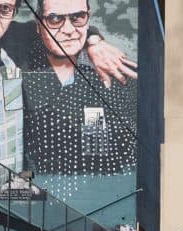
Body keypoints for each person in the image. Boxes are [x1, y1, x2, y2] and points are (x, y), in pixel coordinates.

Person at [21, 0, 138, 205]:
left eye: (77, 17)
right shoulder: (20, 65)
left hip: (98, 202)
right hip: (36, 205)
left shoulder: (116, 75)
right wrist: (94, 38)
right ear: (38, 25)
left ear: (88, 17)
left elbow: (123, 160)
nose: (69, 30)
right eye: (55, 19)